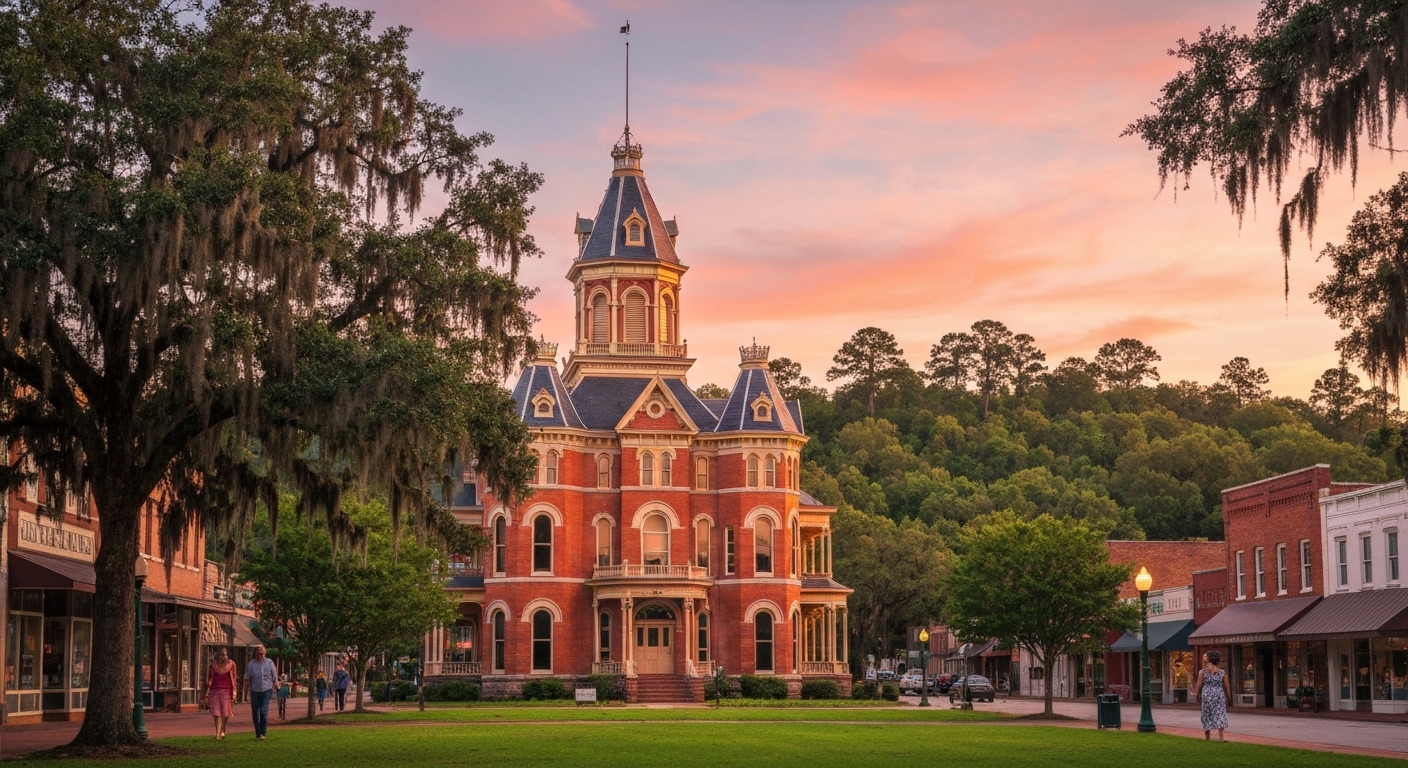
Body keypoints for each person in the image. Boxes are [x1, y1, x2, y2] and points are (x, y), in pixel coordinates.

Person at [1194, 650, 1230, 742]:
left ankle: (1207, 737)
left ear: (1209, 659)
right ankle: (1221, 738)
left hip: (1207, 693)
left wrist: (1195, 692)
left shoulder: (1203, 672)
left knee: (1207, 713)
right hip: (1219, 694)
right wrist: (1229, 695)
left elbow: (1198, 683)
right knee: (1220, 713)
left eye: (1205, 656)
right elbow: (1227, 685)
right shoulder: (1222, 672)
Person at [244, 645, 278, 740]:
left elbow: (274, 676)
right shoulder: (251, 664)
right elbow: (247, 678)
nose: (261, 656)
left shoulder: (269, 662)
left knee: (263, 711)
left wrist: (277, 685)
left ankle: (263, 732)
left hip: (266, 689)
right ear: (255, 654)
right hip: (255, 690)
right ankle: (258, 733)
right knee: (255, 712)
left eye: (263, 654)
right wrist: (246, 693)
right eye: (259, 654)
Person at [204, 648, 237, 740]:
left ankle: (223, 729)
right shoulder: (213, 665)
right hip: (214, 691)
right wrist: (207, 692)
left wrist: (234, 692)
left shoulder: (231, 664)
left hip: (226, 691)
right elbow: (209, 678)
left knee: (225, 712)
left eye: (225, 654)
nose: (224, 657)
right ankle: (218, 733)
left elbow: (234, 678)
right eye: (222, 655)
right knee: (216, 712)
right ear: (218, 656)